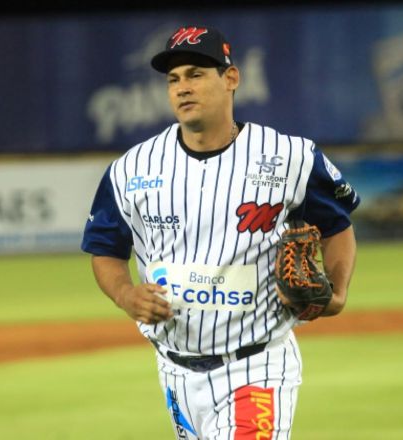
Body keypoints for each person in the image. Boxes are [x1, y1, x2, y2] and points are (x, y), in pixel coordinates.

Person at [81, 24, 360, 440]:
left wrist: (336, 291)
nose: (182, 88)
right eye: (173, 79)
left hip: (258, 367)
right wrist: (126, 295)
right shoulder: (132, 169)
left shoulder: (289, 157)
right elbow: (104, 249)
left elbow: (337, 225)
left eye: (196, 74)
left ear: (231, 79)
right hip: (173, 368)